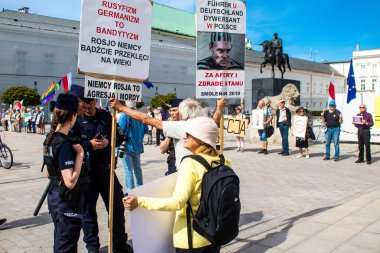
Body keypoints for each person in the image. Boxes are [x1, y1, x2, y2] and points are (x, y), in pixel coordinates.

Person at [123, 117, 230, 253]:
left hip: (191, 238)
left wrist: (139, 201)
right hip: (213, 234)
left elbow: (177, 203)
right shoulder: (223, 162)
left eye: (190, 134)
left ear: (202, 139)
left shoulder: (190, 163)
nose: (184, 136)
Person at [70, 85, 133, 253]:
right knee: (88, 213)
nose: (88, 110)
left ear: (95, 101)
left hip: (106, 171)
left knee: (117, 209)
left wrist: (109, 142)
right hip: (86, 173)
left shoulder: (106, 116)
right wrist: (89, 146)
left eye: (91, 106)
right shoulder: (75, 120)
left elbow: (120, 137)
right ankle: (93, 247)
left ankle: (119, 244)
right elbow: (71, 145)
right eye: (85, 107)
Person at [109, 98, 226, 169]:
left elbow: (147, 120)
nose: (174, 113)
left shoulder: (183, 126)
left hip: (189, 171)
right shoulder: (206, 123)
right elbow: (215, 120)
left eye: (177, 110)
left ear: (183, 112)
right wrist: (219, 107)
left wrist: (122, 108)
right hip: (207, 168)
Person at [43, 93, 87, 252]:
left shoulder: (50, 138)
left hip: (55, 197)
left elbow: (46, 172)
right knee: (66, 246)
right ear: (73, 115)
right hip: (66, 201)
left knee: (60, 242)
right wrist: (80, 156)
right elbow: (70, 181)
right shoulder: (65, 143)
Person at [119, 101, 148, 195]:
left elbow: (120, 131)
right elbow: (145, 130)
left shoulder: (124, 115)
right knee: (138, 169)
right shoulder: (141, 115)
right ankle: (141, 188)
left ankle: (130, 191)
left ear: (126, 105)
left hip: (127, 146)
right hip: (138, 146)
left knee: (128, 170)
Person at [160, 99, 183, 175]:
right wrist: (170, 132)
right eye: (171, 111)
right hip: (173, 161)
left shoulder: (188, 124)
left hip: (185, 162)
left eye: (174, 110)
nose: (171, 113)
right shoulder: (170, 126)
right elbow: (162, 149)